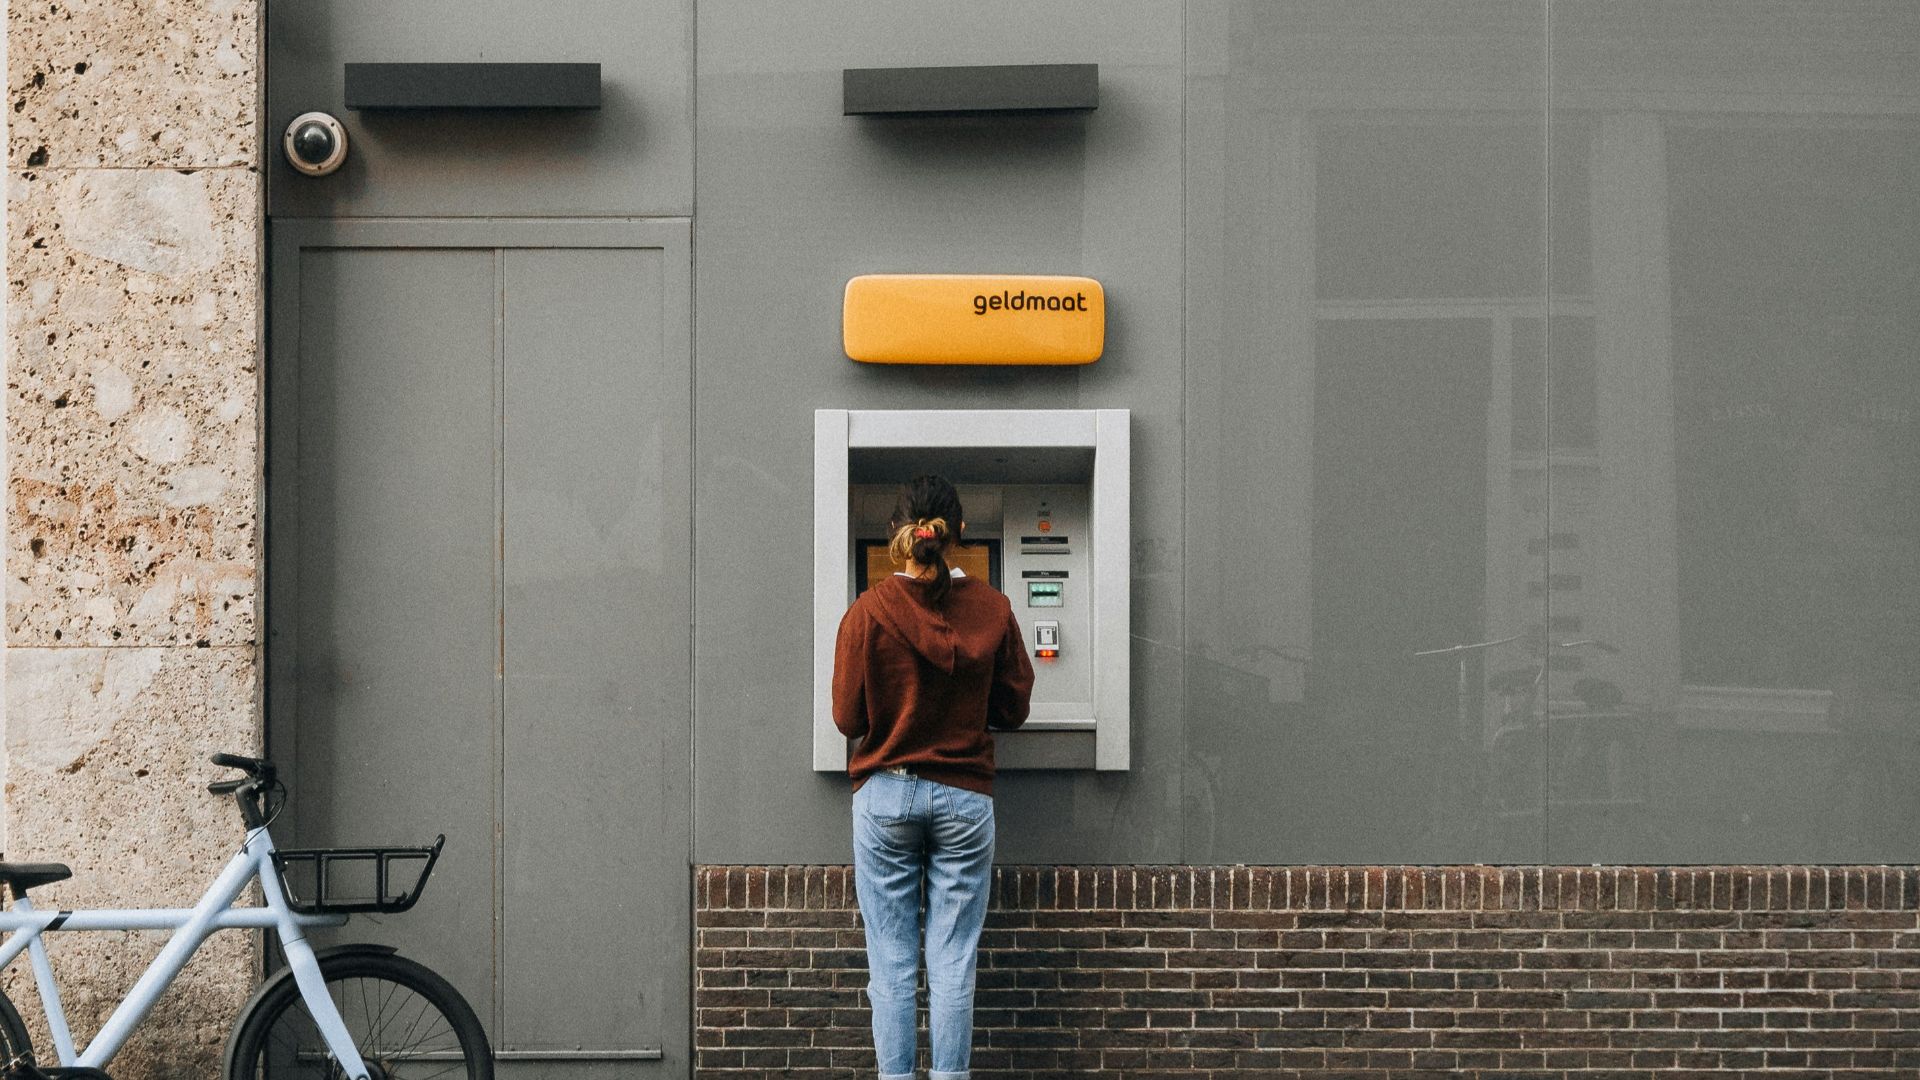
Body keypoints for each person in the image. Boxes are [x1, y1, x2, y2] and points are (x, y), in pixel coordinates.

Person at [832, 474, 1035, 1080]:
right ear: (959, 534)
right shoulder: (994, 608)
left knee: (891, 963)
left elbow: (847, 717)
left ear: (896, 533)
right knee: (953, 961)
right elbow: (1014, 709)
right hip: (965, 798)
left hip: (887, 793)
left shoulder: (867, 612)